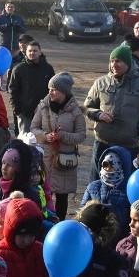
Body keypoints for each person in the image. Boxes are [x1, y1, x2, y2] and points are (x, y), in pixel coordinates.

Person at [84, 45, 139, 179]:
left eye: (118, 61)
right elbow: (87, 107)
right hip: (102, 144)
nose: (114, 64)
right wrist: (98, 115)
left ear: (128, 63)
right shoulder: (100, 83)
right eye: (112, 61)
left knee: (124, 186)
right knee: (96, 183)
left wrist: (137, 129)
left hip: (128, 146)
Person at [30, 72, 86, 222]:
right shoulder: (43, 106)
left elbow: (81, 135)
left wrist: (63, 136)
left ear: (64, 92)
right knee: (42, 194)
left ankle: (60, 224)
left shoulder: (75, 112)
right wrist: (46, 136)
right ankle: (43, 223)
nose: (50, 92)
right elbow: (33, 128)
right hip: (45, 159)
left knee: (62, 197)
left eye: (54, 89)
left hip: (64, 160)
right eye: (49, 88)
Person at [80, 147, 133, 240]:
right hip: (92, 239)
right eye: (105, 165)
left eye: (112, 166)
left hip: (119, 241)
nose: (108, 169)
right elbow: (81, 211)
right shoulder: (92, 187)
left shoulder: (130, 191)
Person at [9, 41, 55, 135]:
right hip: (25, 113)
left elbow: (53, 90)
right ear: (26, 52)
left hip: (44, 112)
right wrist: (17, 110)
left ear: (40, 52)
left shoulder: (48, 69)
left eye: (35, 51)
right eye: (30, 51)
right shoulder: (18, 69)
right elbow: (13, 90)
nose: (32, 53)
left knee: (42, 142)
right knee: (25, 142)